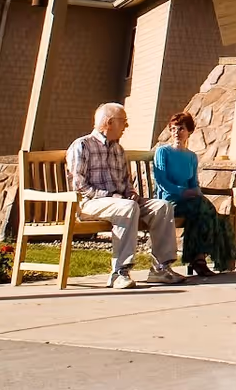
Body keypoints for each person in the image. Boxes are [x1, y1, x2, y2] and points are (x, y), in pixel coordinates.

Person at [67, 103, 184, 289]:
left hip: (121, 202)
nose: (126, 126)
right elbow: (79, 186)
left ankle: (160, 269)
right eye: (124, 121)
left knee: (163, 206)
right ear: (109, 122)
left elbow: (125, 181)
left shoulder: (118, 150)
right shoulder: (82, 145)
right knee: (127, 207)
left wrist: (130, 193)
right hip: (90, 203)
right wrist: (111, 196)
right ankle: (118, 273)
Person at [152, 112, 236, 278]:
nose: (177, 132)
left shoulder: (191, 156)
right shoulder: (163, 152)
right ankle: (199, 259)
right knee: (204, 209)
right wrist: (183, 192)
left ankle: (198, 259)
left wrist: (195, 191)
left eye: (181, 128)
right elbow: (162, 181)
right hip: (168, 202)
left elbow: (193, 182)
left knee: (207, 210)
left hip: (188, 201)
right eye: (173, 128)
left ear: (189, 131)